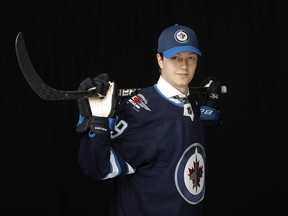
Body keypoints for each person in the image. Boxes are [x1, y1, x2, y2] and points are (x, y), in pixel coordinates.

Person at [75, 24, 223, 216]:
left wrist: (208, 114)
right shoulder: (138, 113)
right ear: (160, 60)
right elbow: (96, 167)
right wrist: (97, 122)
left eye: (190, 58)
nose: (184, 66)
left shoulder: (191, 104)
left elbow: (178, 148)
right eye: (175, 58)